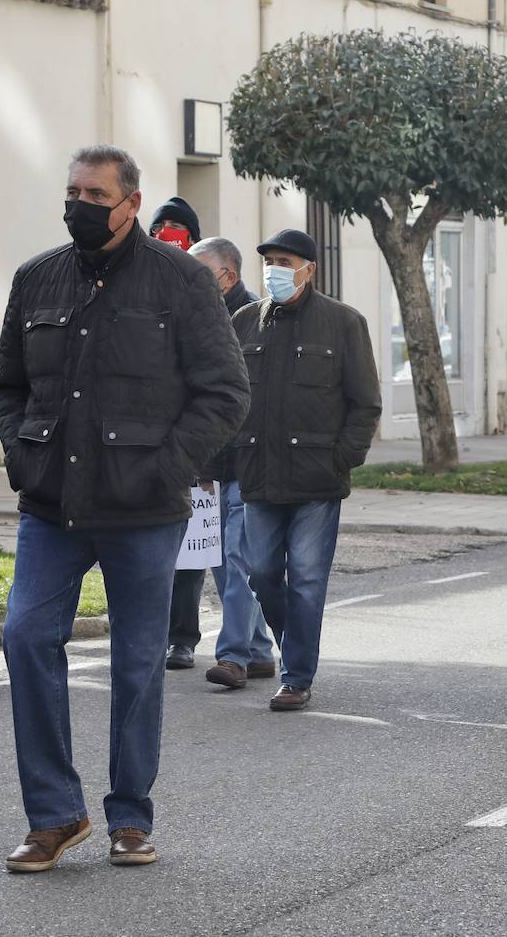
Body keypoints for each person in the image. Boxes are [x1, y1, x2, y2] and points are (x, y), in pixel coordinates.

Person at [0, 146, 249, 871]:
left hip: (144, 509)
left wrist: (166, 467)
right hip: (51, 503)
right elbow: (7, 386)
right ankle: (54, 814)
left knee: (137, 660)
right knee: (24, 636)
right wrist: (21, 454)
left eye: (94, 192)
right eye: (71, 190)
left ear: (130, 203)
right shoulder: (36, 278)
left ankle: (130, 816)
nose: (79, 203)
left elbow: (225, 392)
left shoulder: (181, 282)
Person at [231, 229, 381, 711]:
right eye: (268, 260)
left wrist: (342, 458)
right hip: (258, 474)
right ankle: (294, 648)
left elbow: (365, 404)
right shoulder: (244, 323)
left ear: (308, 269)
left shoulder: (343, 323)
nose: (274, 268)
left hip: (317, 479)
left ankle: (296, 676)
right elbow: (228, 399)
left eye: (284, 260)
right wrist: (217, 462)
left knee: (309, 576)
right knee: (259, 572)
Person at [188, 237, 278, 689]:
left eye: (199, 273)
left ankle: (233, 657)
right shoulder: (195, 318)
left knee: (238, 561)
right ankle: (260, 650)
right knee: (225, 567)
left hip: (245, 461)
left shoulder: (258, 322)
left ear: (227, 276)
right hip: (209, 465)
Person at [147, 197, 211, 671]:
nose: (168, 233)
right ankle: (146, 631)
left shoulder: (202, 284)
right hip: (138, 441)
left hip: (188, 444)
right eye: (160, 226)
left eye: (178, 227)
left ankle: (182, 637)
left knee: (189, 554)